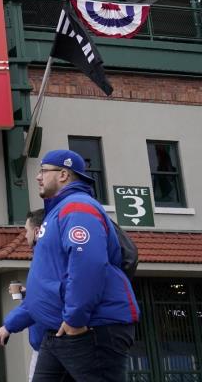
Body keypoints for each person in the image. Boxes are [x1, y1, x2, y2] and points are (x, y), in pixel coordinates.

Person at [28, 149, 139, 381]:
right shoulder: (58, 210)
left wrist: (75, 319)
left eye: (43, 171)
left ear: (63, 174)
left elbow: (87, 263)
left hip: (89, 328)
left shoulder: (77, 207)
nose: (38, 176)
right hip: (59, 330)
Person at [0, 209, 46, 381]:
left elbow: (40, 301)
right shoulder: (44, 255)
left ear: (37, 231)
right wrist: (27, 293)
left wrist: (7, 327)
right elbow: (47, 296)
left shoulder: (45, 257)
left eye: (27, 230)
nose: (25, 235)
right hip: (46, 345)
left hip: (51, 345)